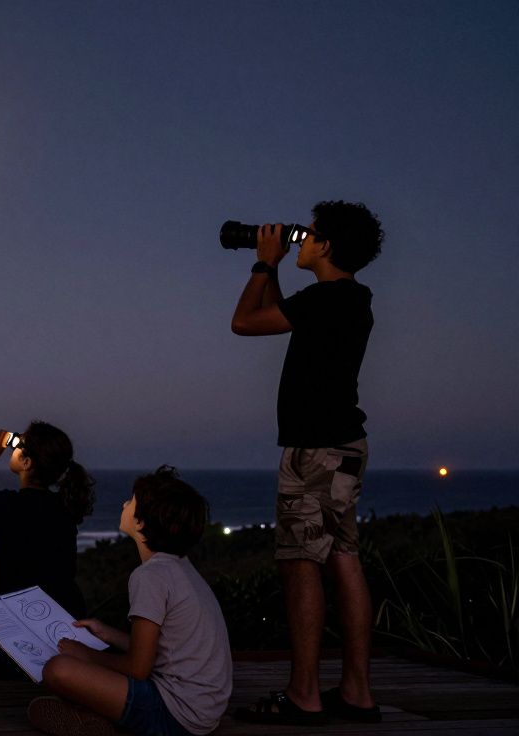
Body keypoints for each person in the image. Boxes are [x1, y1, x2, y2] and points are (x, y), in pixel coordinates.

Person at [229, 201, 384, 726]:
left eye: (310, 234)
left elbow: (245, 322)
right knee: (342, 558)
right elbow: (280, 316)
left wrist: (263, 262)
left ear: (328, 246)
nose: (301, 240)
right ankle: (358, 693)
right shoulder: (349, 299)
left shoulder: (328, 299)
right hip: (343, 445)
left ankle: (304, 695)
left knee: (300, 563)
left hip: (314, 449)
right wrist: (274, 268)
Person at [28, 466, 231, 736]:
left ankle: (99, 719)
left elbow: (137, 668)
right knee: (78, 670)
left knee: (58, 670)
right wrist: (106, 633)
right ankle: (94, 717)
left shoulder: (150, 576)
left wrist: (86, 656)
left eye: (131, 501)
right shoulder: (180, 566)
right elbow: (166, 648)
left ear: (140, 522)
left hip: (174, 715)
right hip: (203, 712)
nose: (124, 504)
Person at [0, 422, 94, 677]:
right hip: (66, 630)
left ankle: (4, 666)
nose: (12, 448)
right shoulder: (65, 509)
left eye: (18, 445)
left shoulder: (10, 504)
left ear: (27, 463)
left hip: (26, 637)